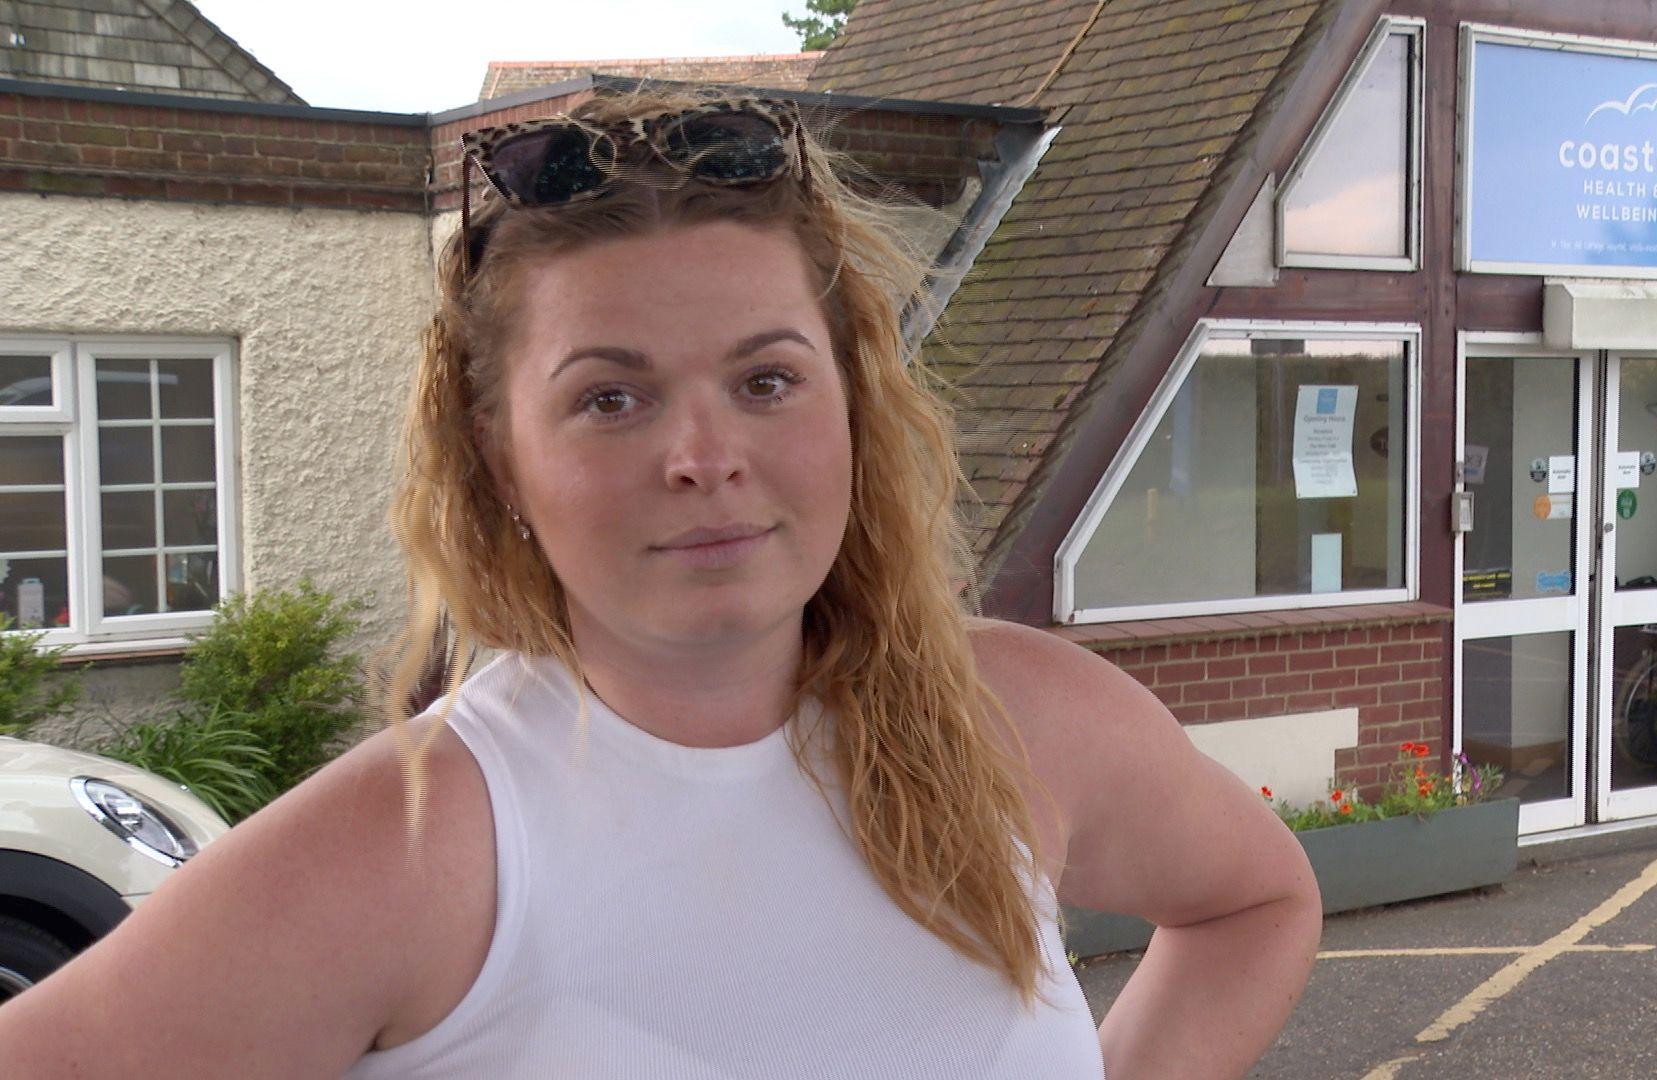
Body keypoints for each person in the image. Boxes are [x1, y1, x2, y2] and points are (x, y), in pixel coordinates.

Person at [0, 88, 1319, 1078]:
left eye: (765, 381)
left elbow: (1257, 903)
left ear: (850, 403)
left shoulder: (1025, 717)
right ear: (497, 461)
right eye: (611, 398)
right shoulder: (412, 847)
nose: (704, 458)